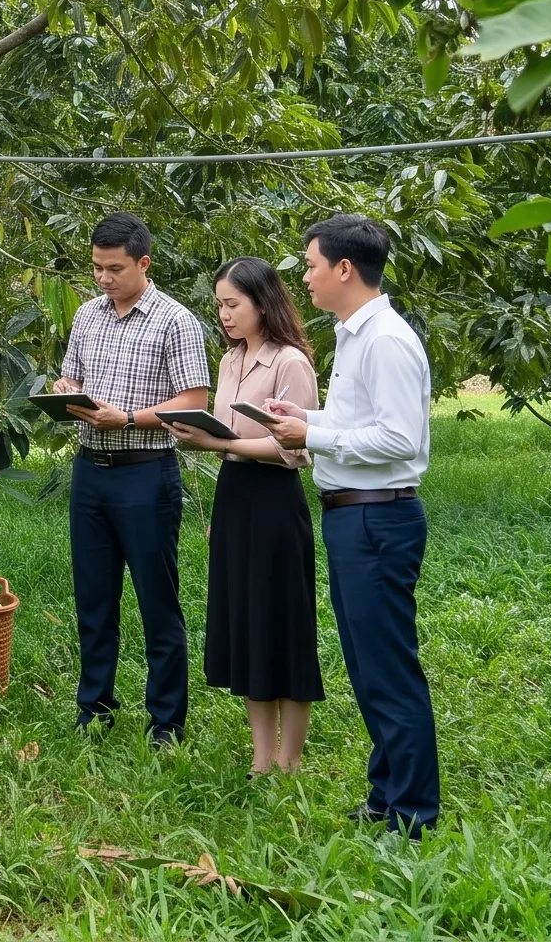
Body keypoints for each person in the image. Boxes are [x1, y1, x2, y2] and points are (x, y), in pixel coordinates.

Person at [257, 213, 440, 835]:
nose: (303, 277)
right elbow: (360, 419)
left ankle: (413, 812)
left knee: (388, 666)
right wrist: (307, 413)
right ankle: (388, 792)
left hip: (377, 519)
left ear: (343, 268)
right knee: (367, 664)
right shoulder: (354, 334)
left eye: (310, 265)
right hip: (353, 517)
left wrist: (313, 432)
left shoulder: (385, 338)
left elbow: (397, 437)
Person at [50, 212, 211, 744]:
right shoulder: (88, 315)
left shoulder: (175, 321)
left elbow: (192, 403)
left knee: (156, 601)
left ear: (144, 263)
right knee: (94, 600)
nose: (103, 278)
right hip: (91, 471)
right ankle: (93, 708)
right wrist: (64, 386)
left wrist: (128, 417)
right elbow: (74, 372)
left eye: (114, 268)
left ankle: (166, 721)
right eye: (96, 267)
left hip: (146, 474)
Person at [162, 257, 324, 775]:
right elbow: (229, 437)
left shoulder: (289, 362)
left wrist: (216, 441)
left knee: (284, 625)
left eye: (233, 304)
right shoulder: (231, 360)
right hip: (234, 496)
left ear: (263, 302)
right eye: (219, 306)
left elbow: (292, 451)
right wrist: (204, 438)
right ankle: (261, 756)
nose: (225, 315)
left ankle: (290, 759)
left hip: (275, 501)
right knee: (247, 623)